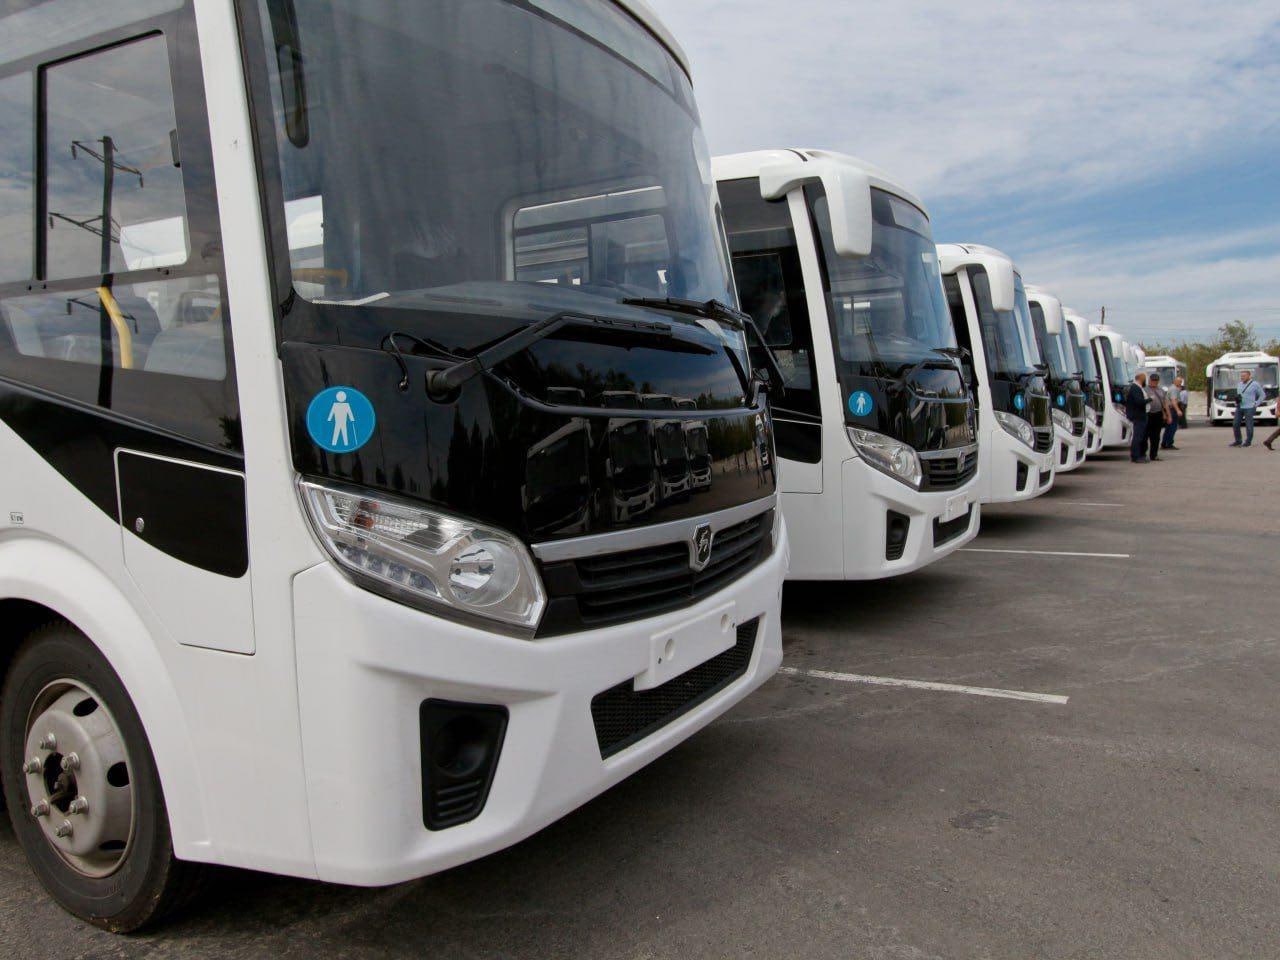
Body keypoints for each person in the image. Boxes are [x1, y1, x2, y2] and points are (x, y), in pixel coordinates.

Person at [1231, 369, 1265, 447]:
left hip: (1249, 407)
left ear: (1249, 376)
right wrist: (1236, 401)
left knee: (1249, 425)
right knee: (1235, 424)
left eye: (1244, 376)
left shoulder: (1255, 384)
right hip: (1239, 407)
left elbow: (1262, 395)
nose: (1242, 377)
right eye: (1241, 376)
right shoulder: (1239, 384)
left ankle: (1248, 442)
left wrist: (1256, 403)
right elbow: (1239, 395)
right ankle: (1238, 441)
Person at [1145, 373, 1172, 461]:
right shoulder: (1144, 390)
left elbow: (1165, 404)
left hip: (1158, 414)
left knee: (1156, 436)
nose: (1154, 382)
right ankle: (1142, 454)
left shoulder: (1161, 390)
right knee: (1145, 435)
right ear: (1149, 380)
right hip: (1148, 414)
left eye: (1156, 380)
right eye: (1153, 380)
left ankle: (1154, 455)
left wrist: (1169, 416)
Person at [1124, 371, 1150, 463]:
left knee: (1142, 436)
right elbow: (1139, 401)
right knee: (1138, 436)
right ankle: (1136, 456)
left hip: (1141, 415)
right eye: (1145, 378)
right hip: (1138, 416)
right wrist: (1150, 399)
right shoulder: (1135, 388)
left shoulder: (1138, 388)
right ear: (1141, 378)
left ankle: (1141, 454)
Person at [1161, 376, 1184, 450]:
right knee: (1172, 427)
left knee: (1168, 427)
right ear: (1175, 381)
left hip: (1170, 409)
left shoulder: (1172, 388)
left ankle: (1164, 443)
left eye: (1181, 382)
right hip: (1172, 409)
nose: (1180, 383)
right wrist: (1178, 410)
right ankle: (1169, 443)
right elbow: (1173, 401)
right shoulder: (1174, 389)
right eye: (1180, 382)